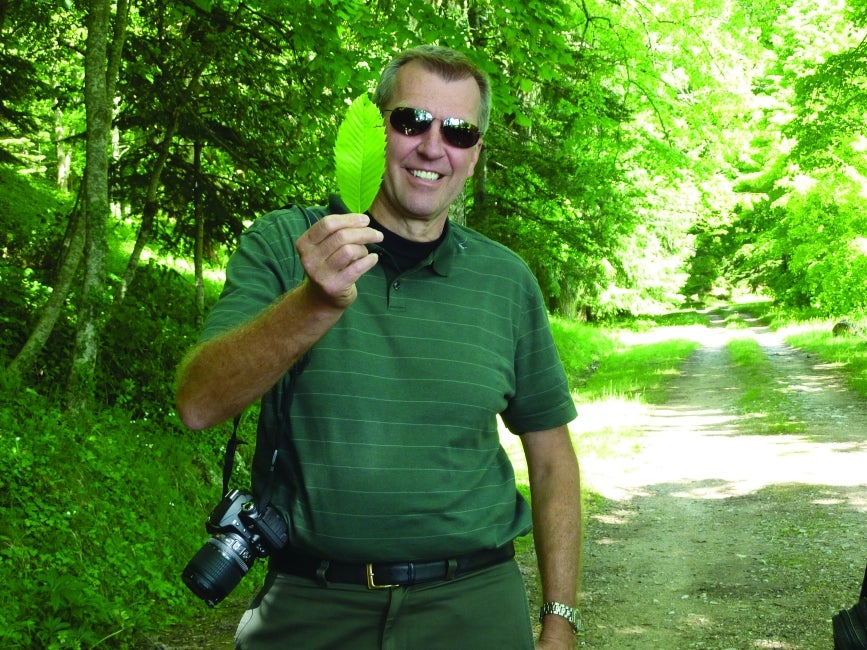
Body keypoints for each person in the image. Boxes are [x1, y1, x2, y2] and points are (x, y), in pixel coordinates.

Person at [176, 44, 582, 650]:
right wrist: (313, 303)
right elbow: (198, 403)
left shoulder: (507, 280)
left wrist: (559, 621)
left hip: (474, 607)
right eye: (411, 121)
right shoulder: (287, 243)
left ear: (474, 155)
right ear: (377, 128)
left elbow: (551, 457)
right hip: (310, 607)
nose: (432, 146)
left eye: (459, 131)